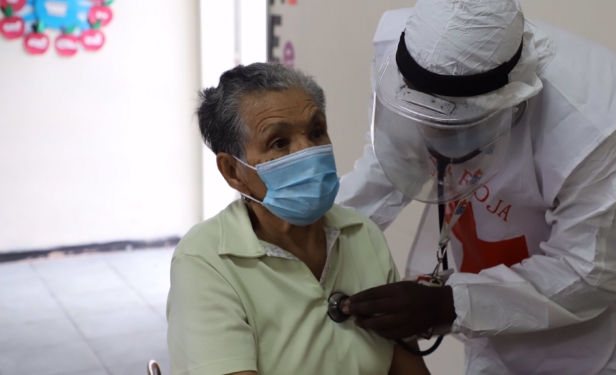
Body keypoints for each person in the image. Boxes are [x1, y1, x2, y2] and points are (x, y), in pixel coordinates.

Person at [336, 1, 616, 374]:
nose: (430, 135)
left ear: (507, 97)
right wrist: (317, 233)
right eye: (421, 115)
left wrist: (450, 304)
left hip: (599, 316)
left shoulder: (598, 125)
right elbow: (388, 167)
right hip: (491, 277)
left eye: (454, 123)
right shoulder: (407, 51)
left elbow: (589, 274)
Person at [166, 63, 430, 375]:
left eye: (316, 132)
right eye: (279, 143)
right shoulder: (207, 260)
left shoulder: (362, 235)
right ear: (233, 172)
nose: (308, 151)